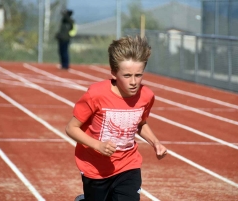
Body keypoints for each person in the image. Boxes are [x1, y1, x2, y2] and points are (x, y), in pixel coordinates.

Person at [66, 35, 167, 201]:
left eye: (138, 75)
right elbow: (71, 128)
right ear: (114, 73)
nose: (134, 82)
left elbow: (140, 123)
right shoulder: (96, 94)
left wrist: (155, 143)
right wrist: (97, 145)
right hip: (95, 168)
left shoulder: (146, 96)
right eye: (127, 76)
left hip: (128, 165)